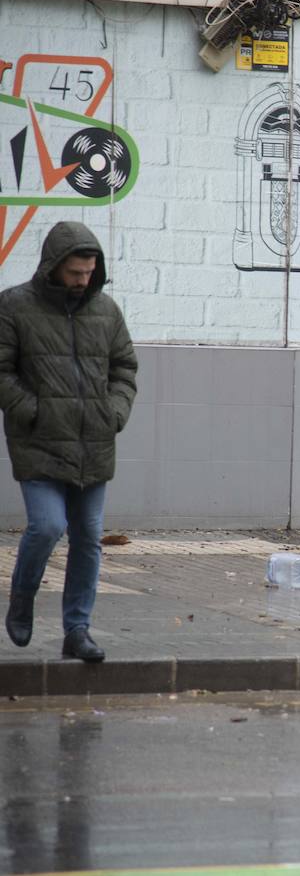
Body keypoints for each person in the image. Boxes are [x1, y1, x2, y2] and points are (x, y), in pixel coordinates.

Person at [1, 221, 138, 662]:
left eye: (89, 271)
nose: (83, 280)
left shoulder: (107, 311)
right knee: (47, 526)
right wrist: (33, 411)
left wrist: (114, 412)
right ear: (54, 267)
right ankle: (22, 598)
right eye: (75, 273)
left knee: (88, 538)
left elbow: (124, 369)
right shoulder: (14, 306)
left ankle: (77, 630)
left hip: (93, 443)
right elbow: (2, 371)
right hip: (40, 442)